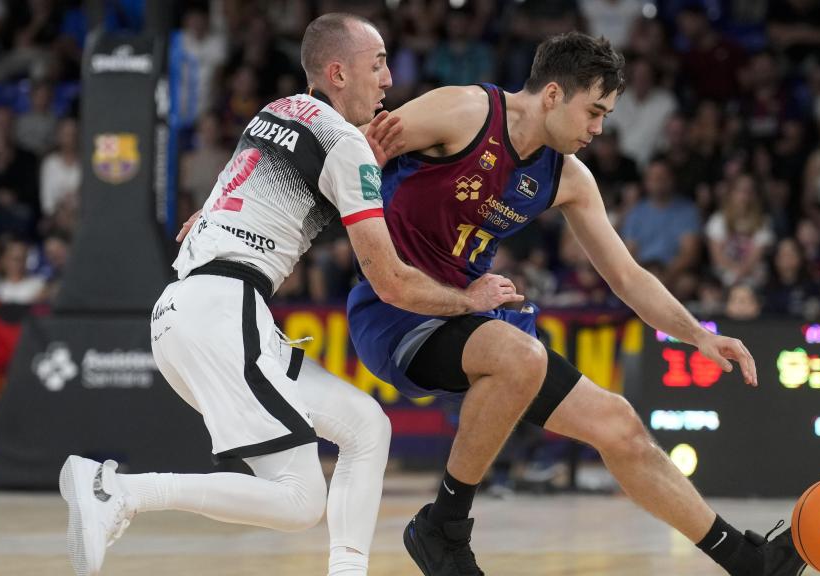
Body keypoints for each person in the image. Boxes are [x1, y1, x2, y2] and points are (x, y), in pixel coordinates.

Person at [58, 13, 522, 576]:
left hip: (193, 310)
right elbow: (391, 281)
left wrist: (357, 171)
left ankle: (348, 569)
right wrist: (469, 300)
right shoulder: (343, 144)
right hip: (222, 312)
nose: (387, 82)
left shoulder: (273, 112)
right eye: (376, 66)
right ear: (338, 72)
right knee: (301, 499)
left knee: (366, 426)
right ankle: (120, 490)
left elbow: (243, 198)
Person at [346, 31, 804, 576]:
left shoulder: (568, 177)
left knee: (620, 425)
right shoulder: (463, 110)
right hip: (394, 311)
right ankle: (443, 525)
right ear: (553, 94)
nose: (599, 129)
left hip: (470, 314)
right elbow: (347, 152)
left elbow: (628, 277)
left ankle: (747, 561)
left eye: (606, 115)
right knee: (520, 354)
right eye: (594, 111)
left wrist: (699, 334)